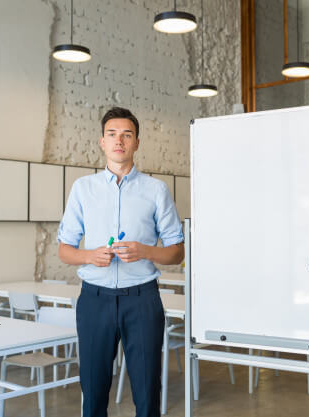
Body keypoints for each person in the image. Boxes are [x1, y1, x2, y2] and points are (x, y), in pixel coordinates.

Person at [57, 107, 184, 417]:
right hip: (94, 298)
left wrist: (144, 251)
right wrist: (89, 256)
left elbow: (177, 252)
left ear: (136, 143)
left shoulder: (156, 190)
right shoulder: (82, 189)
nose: (119, 141)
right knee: (93, 387)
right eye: (112, 134)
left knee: (147, 389)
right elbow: (64, 249)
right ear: (102, 142)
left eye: (127, 135)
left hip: (142, 299)